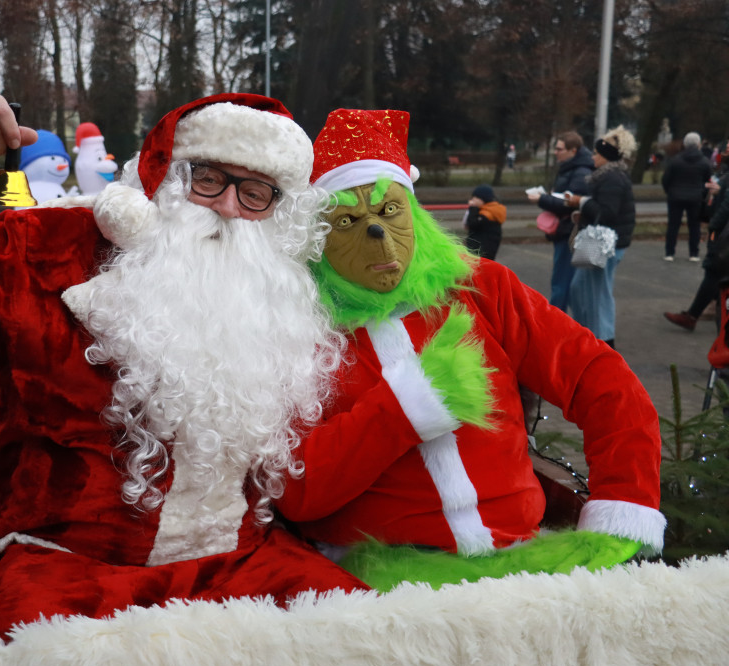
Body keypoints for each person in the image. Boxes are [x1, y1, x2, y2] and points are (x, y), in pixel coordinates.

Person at [0, 91, 368, 666]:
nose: (227, 207)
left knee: (372, 645)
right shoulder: (55, 250)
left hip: (245, 562)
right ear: (165, 176)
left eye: (255, 192)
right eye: (209, 179)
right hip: (74, 569)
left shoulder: (281, 292)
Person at [273, 108, 665, 592]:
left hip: (522, 556)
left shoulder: (481, 288)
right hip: (386, 581)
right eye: (347, 219)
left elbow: (598, 376)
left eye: (389, 210)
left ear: (413, 212)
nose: (375, 233)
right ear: (315, 240)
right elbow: (296, 490)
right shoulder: (298, 327)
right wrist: (404, 408)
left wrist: (626, 504)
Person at [565, 126, 638, 347]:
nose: (593, 157)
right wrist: (583, 210)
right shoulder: (609, 176)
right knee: (581, 290)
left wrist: (582, 202)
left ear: (606, 156)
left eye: (597, 154)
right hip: (604, 242)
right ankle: (589, 336)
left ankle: (604, 342)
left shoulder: (611, 178)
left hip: (606, 245)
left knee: (598, 295)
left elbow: (607, 212)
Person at [527, 132, 594, 311]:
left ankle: (556, 324)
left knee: (562, 281)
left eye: (559, 149)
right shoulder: (573, 168)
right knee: (565, 281)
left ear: (573, 150)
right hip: (567, 230)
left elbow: (568, 204)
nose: (556, 152)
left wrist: (541, 199)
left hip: (570, 231)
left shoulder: (580, 171)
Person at [664, 175, 729, 331]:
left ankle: (693, 316)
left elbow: (726, 207)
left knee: (714, 271)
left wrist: (713, 226)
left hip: (724, 235)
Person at [662, 131, 712, 261]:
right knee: (695, 226)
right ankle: (693, 254)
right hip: (695, 197)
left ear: (684, 144)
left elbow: (666, 179)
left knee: (673, 225)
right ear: (699, 144)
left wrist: (670, 191)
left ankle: (669, 253)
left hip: (675, 196)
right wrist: (703, 194)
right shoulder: (704, 162)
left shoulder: (675, 160)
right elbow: (708, 181)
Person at [462, 184, 505, 260]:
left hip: (481, 252)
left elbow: (472, 224)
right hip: (486, 250)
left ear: (481, 199)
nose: (471, 200)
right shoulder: (491, 210)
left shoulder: (486, 214)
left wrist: (473, 208)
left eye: (474, 198)